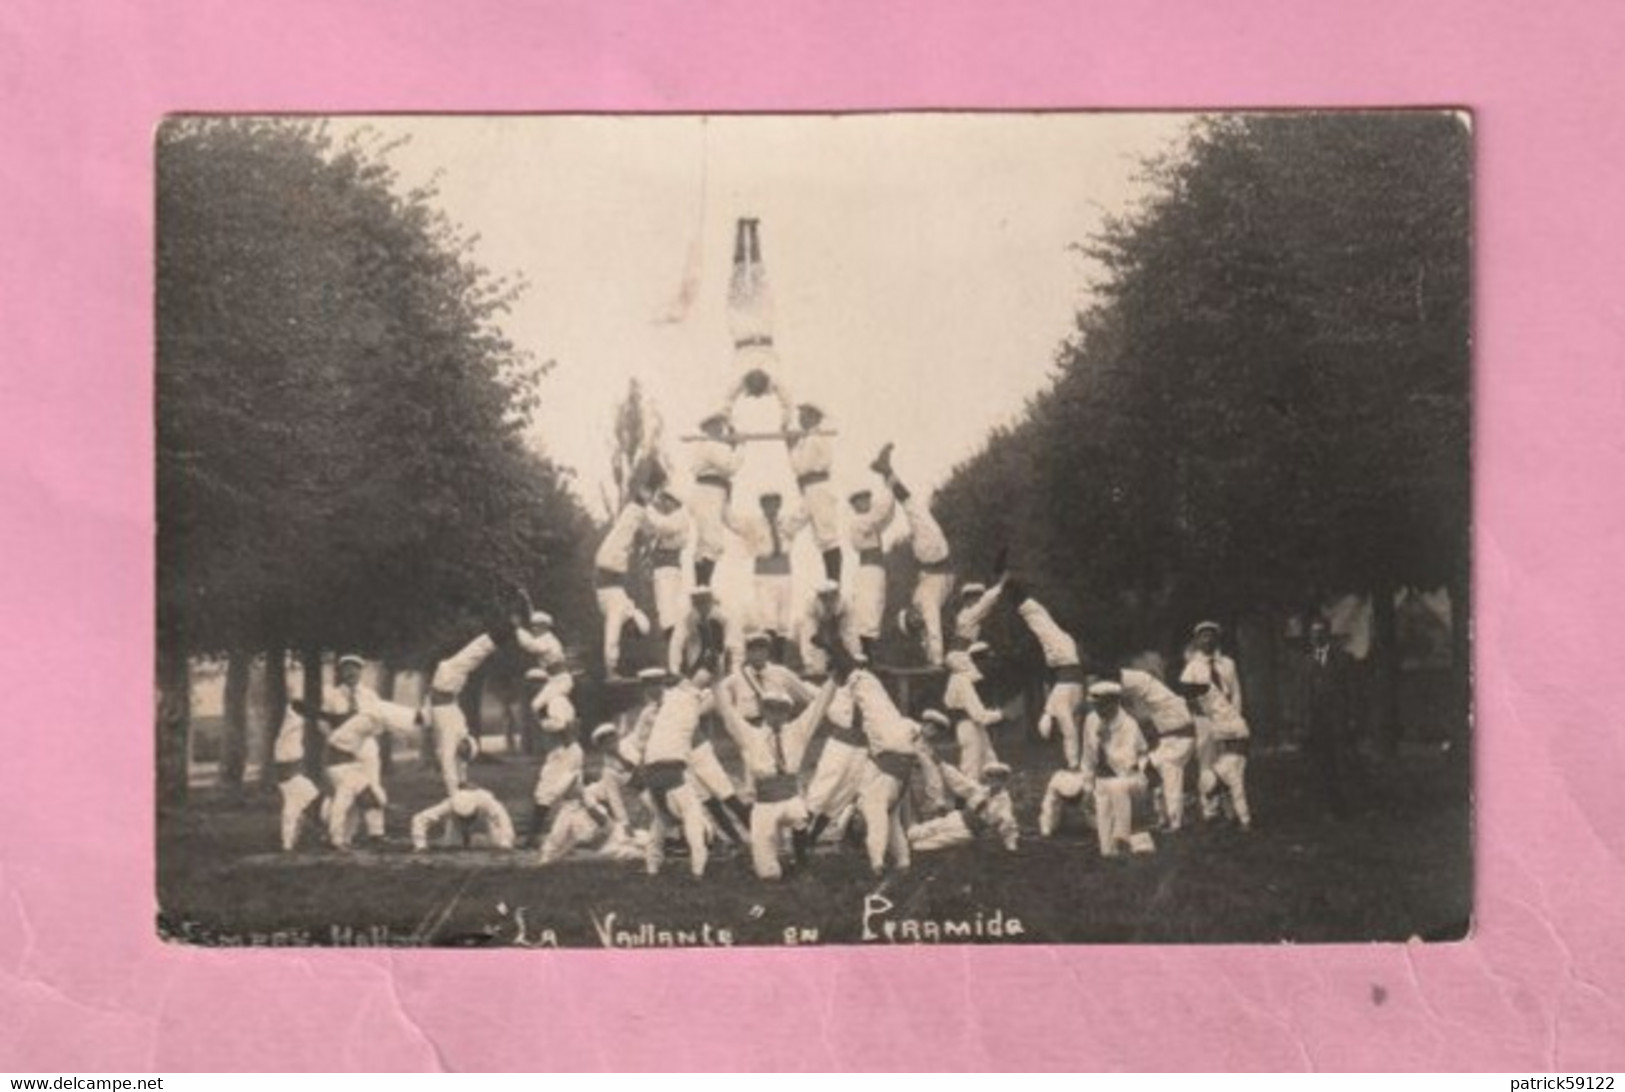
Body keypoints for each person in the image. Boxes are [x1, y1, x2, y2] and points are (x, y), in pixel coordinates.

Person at [717, 679, 839, 879]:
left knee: (800, 816)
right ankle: (772, 863)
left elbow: (819, 705)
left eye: (782, 710)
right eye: (771, 709)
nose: (776, 715)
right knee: (768, 874)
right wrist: (716, 681)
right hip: (764, 804)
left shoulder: (797, 731)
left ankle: (802, 864)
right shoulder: (750, 735)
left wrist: (835, 677)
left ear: (788, 713)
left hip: (790, 797)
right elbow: (727, 713)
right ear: (763, 711)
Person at [871, 444, 956, 666]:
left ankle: (887, 473)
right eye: (913, 622)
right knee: (913, 507)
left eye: (910, 617)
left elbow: (928, 633)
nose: (914, 618)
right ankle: (887, 472)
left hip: (929, 563)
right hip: (935, 558)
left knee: (913, 507)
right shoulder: (925, 605)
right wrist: (936, 660)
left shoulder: (917, 601)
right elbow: (933, 629)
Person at [638, 663, 721, 877]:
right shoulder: (687, 698)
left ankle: (652, 867)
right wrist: (715, 668)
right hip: (671, 769)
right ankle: (698, 869)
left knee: (661, 820)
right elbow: (706, 687)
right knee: (692, 814)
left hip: (651, 772)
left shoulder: (667, 707)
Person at [847, 664, 923, 876]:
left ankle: (881, 861)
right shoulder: (867, 802)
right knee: (890, 821)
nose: (857, 824)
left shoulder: (862, 802)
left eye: (855, 824)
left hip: (893, 765)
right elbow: (882, 828)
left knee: (877, 712)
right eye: (856, 826)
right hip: (895, 766)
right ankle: (901, 860)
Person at [538, 724, 648, 864]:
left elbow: (637, 771)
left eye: (612, 739)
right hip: (604, 842)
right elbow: (556, 840)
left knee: (638, 839)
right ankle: (638, 844)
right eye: (605, 742)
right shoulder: (569, 811)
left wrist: (616, 825)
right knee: (627, 850)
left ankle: (641, 841)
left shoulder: (626, 747)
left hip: (630, 788)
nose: (610, 744)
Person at [1010, 585, 1089, 771]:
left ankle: (1020, 597)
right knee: (1044, 625)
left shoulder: (1056, 705)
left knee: (1043, 626)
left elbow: (1068, 732)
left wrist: (1073, 762)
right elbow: (1071, 731)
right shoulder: (1056, 706)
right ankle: (1021, 599)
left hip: (1064, 662)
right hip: (1068, 667)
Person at [1183, 622, 1253, 830]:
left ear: (1217, 639)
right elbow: (1189, 698)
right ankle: (1210, 810)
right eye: (1203, 636)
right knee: (1207, 762)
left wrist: (1234, 715)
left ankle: (1231, 810)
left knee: (1229, 764)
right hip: (1205, 721)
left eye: (1211, 635)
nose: (1207, 640)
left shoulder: (1228, 664)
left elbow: (1236, 690)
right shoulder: (1193, 667)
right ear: (1197, 641)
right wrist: (1204, 716)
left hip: (1227, 719)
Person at [1118, 664, 1200, 831]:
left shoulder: (1164, 698)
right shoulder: (1155, 701)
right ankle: (1163, 818)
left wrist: (1114, 679)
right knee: (1150, 769)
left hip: (1180, 741)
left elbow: (1144, 683)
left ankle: (1175, 822)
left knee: (1169, 776)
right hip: (1169, 740)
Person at [726, 491, 808, 656]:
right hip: (764, 574)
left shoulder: (786, 522)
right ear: (761, 506)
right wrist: (725, 498)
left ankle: (780, 657)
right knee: (768, 619)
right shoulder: (754, 523)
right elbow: (732, 522)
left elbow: (804, 516)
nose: (771, 507)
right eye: (767, 504)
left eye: (774, 503)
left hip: (785, 572)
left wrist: (807, 491)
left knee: (784, 620)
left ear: (779, 505)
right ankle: (770, 659)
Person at [1083, 680, 1156, 858]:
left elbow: (1127, 762)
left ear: (1114, 703)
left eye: (1102, 706)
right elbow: (1087, 756)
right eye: (1095, 706)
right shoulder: (1091, 720)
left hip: (1131, 777)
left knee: (1117, 788)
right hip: (1103, 780)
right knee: (1107, 851)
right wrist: (1087, 785)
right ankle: (1114, 848)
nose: (1098, 711)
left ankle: (1125, 837)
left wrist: (1106, 741)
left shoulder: (1128, 724)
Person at [1301, 616, 1357, 816]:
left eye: (1320, 632)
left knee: (1342, 760)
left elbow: (1351, 690)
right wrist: (1305, 721)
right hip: (1317, 721)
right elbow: (1304, 693)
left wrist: (1351, 717)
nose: (1316, 636)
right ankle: (1326, 805)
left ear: (1327, 634)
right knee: (1322, 763)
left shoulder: (1342, 658)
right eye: (1313, 633)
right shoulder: (1307, 662)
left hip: (1337, 718)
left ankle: (1346, 804)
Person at [595, 492, 653, 680]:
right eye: (633, 632)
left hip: (611, 567)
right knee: (624, 530)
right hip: (611, 564)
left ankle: (640, 501)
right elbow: (611, 639)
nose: (629, 634)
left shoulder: (625, 609)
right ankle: (641, 499)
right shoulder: (621, 611)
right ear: (633, 623)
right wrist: (610, 670)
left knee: (624, 531)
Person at [907, 759, 1020, 853]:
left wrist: (1011, 845)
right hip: (957, 817)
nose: (994, 781)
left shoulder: (1004, 802)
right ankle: (903, 840)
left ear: (1005, 781)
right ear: (988, 779)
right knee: (923, 829)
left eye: (999, 778)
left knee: (926, 845)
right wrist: (941, 764)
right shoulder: (980, 790)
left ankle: (913, 848)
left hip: (968, 831)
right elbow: (959, 781)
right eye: (991, 777)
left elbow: (1008, 822)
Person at [525, 663, 581, 847]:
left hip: (565, 751)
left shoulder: (555, 700)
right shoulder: (546, 703)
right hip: (560, 751)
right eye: (530, 683)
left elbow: (561, 725)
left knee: (546, 793)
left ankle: (533, 837)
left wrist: (542, 722)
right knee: (569, 794)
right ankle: (580, 832)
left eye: (537, 683)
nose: (533, 687)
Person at [786, 402, 843, 582]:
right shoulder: (807, 438)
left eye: (805, 414)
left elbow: (800, 467)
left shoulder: (815, 437)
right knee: (789, 527)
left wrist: (791, 446)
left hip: (819, 489)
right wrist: (793, 445)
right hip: (809, 490)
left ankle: (834, 582)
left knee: (827, 537)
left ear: (815, 417)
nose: (801, 418)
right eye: (800, 414)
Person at [688, 413, 743, 588]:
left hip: (716, 491)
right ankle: (703, 587)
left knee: (709, 542)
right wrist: (740, 446)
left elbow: (726, 463)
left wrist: (733, 445)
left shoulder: (715, 446)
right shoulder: (710, 445)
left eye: (720, 425)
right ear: (706, 428)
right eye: (715, 425)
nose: (719, 428)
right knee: (712, 542)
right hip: (708, 492)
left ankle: (702, 587)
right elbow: (730, 466)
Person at [845, 477, 898, 659]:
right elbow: (880, 515)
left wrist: (891, 492)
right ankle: (865, 654)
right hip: (867, 570)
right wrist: (889, 487)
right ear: (854, 505)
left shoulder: (870, 521)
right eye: (860, 500)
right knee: (868, 611)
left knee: (876, 608)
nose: (865, 502)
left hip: (877, 569)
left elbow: (888, 516)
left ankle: (870, 653)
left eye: (867, 498)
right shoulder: (859, 521)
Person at [943, 643, 1004, 779]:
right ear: (975, 662)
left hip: (973, 727)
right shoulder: (962, 681)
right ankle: (966, 798)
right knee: (971, 768)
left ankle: (995, 795)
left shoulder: (957, 679)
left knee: (990, 761)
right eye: (986, 661)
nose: (988, 666)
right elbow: (979, 716)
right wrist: (1001, 714)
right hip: (969, 727)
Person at [271, 704, 322, 852]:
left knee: (308, 797)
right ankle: (289, 842)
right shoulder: (288, 739)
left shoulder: (289, 741)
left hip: (291, 773)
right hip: (289, 776)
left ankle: (293, 839)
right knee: (293, 810)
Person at [643, 490, 693, 642]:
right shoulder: (671, 518)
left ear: (676, 502)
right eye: (663, 500)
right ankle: (671, 640)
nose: (664, 504)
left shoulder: (680, 516)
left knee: (668, 611)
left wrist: (648, 507)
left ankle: (673, 640)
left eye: (667, 500)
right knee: (664, 610)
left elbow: (664, 526)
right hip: (662, 568)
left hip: (669, 569)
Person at [411, 780, 516, 851]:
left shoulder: (486, 801)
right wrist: (420, 845)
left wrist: (505, 843)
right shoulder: (450, 804)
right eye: (463, 818)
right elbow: (419, 818)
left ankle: (479, 839)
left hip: (485, 823)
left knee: (495, 844)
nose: (466, 821)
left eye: (468, 817)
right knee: (452, 846)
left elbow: (503, 819)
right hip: (456, 826)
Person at [668, 586, 742, 678]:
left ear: (711, 601)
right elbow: (676, 644)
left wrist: (735, 670)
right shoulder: (687, 619)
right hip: (696, 661)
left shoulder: (725, 618)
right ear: (693, 603)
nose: (702, 606)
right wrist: (674, 670)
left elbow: (735, 645)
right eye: (697, 603)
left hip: (720, 662)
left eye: (705, 601)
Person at [796, 579, 861, 679]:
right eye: (825, 598)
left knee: (849, 667)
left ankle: (837, 661)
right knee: (817, 670)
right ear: (820, 597)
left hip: (836, 626)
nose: (829, 602)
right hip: (815, 626)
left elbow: (850, 632)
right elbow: (808, 636)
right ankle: (817, 664)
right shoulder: (811, 604)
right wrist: (808, 662)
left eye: (832, 598)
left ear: (837, 596)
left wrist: (855, 656)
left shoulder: (846, 603)